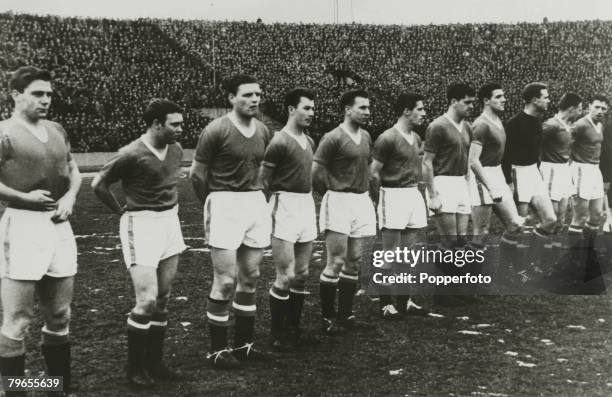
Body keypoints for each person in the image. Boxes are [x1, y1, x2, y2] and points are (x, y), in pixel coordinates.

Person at [91, 99, 186, 388]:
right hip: (141, 225)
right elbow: (98, 184)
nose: (181, 129)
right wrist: (120, 210)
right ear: (156, 123)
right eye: (175, 124)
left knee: (163, 300)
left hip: (170, 223)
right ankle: (135, 368)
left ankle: (155, 363)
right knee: (145, 300)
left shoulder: (177, 149)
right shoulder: (130, 153)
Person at [0, 66, 81, 396]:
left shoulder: (56, 128)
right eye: (37, 93)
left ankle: (54, 387)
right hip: (21, 225)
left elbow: (73, 170)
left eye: (48, 94)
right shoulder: (4, 132)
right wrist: (24, 197)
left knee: (60, 315)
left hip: (59, 226)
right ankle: (13, 390)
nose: (46, 100)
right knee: (18, 319)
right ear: (16, 95)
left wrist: (71, 196)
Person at [190, 74, 271, 369]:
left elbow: (264, 168)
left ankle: (244, 346)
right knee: (225, 281)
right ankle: (216, 350)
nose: (255, 99)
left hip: (254, 202)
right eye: (248, 94)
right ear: (231, 98)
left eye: (258, 94)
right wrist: (213, 202)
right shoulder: (216, 129)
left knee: (250, 277)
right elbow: (197, 175)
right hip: (224, 202)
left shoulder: (263, 130)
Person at [312, 89, 376, 335]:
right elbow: (316, 173)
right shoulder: (332, 137)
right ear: (347, 109)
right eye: (362, 108)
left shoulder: (367, 136)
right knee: (335, 261)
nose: (367, 112)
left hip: (361, 200)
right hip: (338, 199)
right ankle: (328, 318)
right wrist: (331, 194)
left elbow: (368, 169)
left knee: (355, 261)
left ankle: (346, 315)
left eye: (368, 108)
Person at [260, 88, 319, 350]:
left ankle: (294, 329)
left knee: (302, 273)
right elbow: (264, 181)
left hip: (305, 205)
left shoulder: (310, 141)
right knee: (285, 275)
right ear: (291, 109)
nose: (311, 113)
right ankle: (277, 333)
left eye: (313, 109)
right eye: (306, 108)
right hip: (284, 205)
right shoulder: (279, 142)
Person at [370, 92, 429, 319]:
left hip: (412, 194)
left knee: (407, 254)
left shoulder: (415, 138)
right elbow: (373, 173)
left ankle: (405, 302)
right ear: (406, 110)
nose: (423, 113)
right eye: (420, 109)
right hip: (392, 195)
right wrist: (379, 199)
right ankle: (386, 304)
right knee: (389, 254)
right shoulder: (387, 138)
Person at [502, 83, 557, 275]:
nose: (548, 100)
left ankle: (529, 263)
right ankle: (507, 268)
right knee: (517, 225)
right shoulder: (514, 123)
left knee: (550, 220)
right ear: (534, 100)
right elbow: (505, 156)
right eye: (546, 96)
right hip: (518, 173)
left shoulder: (538, 121)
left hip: (534, 173)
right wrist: (509, 183)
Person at [468, 83, 523, 252]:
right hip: (481, 177)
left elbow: (501, 155)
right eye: (498, 97)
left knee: (515, 224)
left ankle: (505, 270)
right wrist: (490, 188)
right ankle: (471, 275)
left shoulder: (498, 120)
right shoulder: (481, 124)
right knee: (481, 233)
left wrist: (507, 181)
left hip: (497, 173)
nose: (504, 99)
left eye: (503, 96)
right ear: (486, 101)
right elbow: (473, 161)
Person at [422, 83, 475, 249]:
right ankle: (441, 273)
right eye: (467, 102)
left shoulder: (467, 126)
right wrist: (432, 195)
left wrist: (467, 186)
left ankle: (454, 273)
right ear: (453, 101)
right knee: (449, 240)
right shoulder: (437, 126)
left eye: (472, 102)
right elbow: (427, 162)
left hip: (460, 183)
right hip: (442, 183)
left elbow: (467, 160)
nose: (471, 106)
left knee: (461, 239)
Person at [540, 93, 583, 247]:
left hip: (564, 172)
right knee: (550, 219)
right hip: (551, 170)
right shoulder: (551, 125)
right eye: (579, 109)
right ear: (572, 109)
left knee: (561, 220)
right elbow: (534, 145)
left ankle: (551, 258)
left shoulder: (569, 126)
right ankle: (539, 260)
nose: (580, 112)